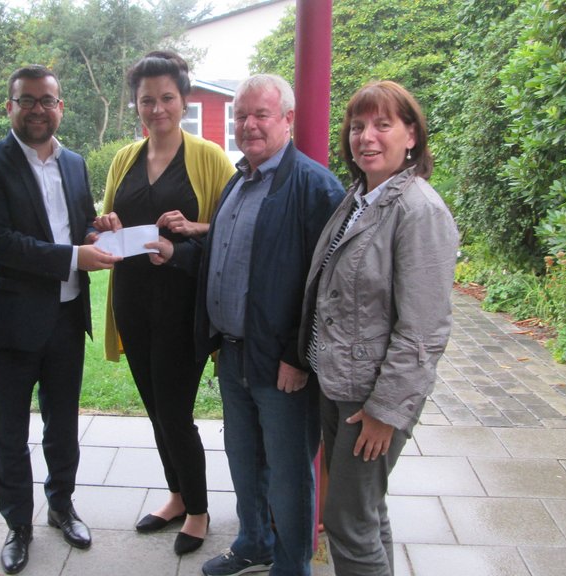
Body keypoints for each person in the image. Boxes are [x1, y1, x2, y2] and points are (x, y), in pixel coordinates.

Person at [0, 64, 121, 575]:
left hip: (66, 317)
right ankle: (17, 525)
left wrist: (97, 231)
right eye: (26, 100)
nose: (37, 109)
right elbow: (0, 244)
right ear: (9, 107)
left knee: (63, 424)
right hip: (10, 322)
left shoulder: (73, 163)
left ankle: (61, 507)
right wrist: (75, 256)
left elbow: (74, 226)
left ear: (60, 107)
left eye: (46, 100)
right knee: (9, 432)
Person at [298, 80, 458, 575]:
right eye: (357, 126)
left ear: (411, 136)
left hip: (370, 398)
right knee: (365, 513)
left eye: (382, 125)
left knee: (346, 521)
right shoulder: (362, 198)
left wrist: (385, 412)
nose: (366, 136)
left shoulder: (419, 211)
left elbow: (424, 331)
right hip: (339, 383)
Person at [193, 74, 344, 576]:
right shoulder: (240, 180)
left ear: (287, 119)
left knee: (288, 473)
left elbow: (327, 286)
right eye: (241, 115)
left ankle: (292, 565)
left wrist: (297, 356)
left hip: (283, 365)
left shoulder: (315, 186)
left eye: (261, 114)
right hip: (234, 351)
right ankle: (253, 542)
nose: (249, 124)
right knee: (243, 458)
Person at [93, 50, 235, 556]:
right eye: (147, 100)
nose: (157, 109)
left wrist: (188, 236)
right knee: (155, 410)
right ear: (136, 104)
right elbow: (103, 223)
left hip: (183, 308)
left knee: (175, 413)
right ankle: (176, 496)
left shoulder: (210, 158)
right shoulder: (124, 159)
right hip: (132, 303)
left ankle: (198, 510)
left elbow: (234, 232)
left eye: (167, 98)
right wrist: (104, 225)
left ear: (184, 99)